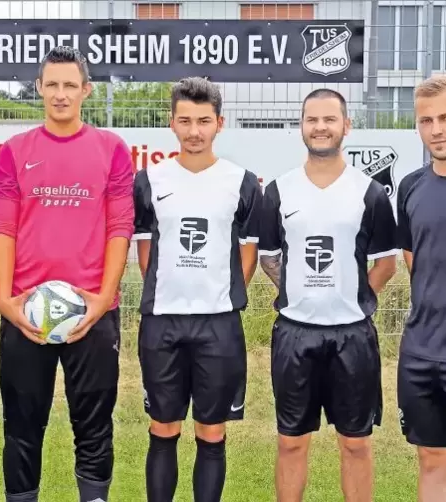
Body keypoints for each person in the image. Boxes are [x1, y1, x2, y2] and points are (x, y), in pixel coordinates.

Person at [0, 46, 135, 502]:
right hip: (26, 315)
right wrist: (4, 301)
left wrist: (102, 299)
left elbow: (119, 228)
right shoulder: (13, 152)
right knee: (21, 427)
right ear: (39, 87)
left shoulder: (112, 150)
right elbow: (3, 229)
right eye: (51, 84)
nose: (60, 94)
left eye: (70, 85)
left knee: (93, 426)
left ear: (86, 91)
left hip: (91, 313)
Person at [258, 88, 398, 502]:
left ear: (346, 126)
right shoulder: (279, 191)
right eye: (312, 120)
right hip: (294, 335)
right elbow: (269, 260)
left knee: (355, 443)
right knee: (291, 442)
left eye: (329, 119)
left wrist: (350, 296)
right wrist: (300, 291)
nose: (320, 127)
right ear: (302, 126)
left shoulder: (369, 192)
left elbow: (385, 264)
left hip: (352, 337)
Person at [132, 76, 261, 502]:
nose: (194, 131)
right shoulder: (149, 180)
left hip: (219, 325)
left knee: (211, 431)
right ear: (171, 123)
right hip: (163, 323)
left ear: (219, 124)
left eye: (203, 121)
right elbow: (146, 251)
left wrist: (220, 294)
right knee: (163, 427)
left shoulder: (242, 181)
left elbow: (248, 254)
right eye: (185, 121)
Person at [396, 75, 446, 502]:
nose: (436, 129)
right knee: (432, 458)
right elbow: (415, 261)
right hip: (422, 350)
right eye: (426, 120)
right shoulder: (410, 186)